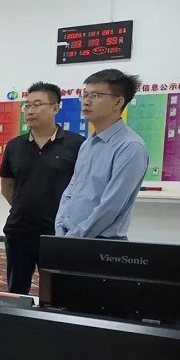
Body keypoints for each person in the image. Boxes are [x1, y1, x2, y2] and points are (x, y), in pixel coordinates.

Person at [0, 82, 84, 294]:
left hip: (58, 232)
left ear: (55, 108)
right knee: (17, 290)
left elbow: (83, 187)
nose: (30, 110)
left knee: (58, 291)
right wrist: (23, 206)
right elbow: (7, 184)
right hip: (19, 230)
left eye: (37, 105)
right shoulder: (14, 146)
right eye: (27, 105)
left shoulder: (77, 144)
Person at [55, 69, 149, 240]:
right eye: (85, 95)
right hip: (69, 238)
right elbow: (71, 191)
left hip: (102, 243)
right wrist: (60, 228)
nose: (86, 102)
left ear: (118, 102)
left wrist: (75, 238)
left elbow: (111, 206)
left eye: (96, 96)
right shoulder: (87, 144)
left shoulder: (130, 146)